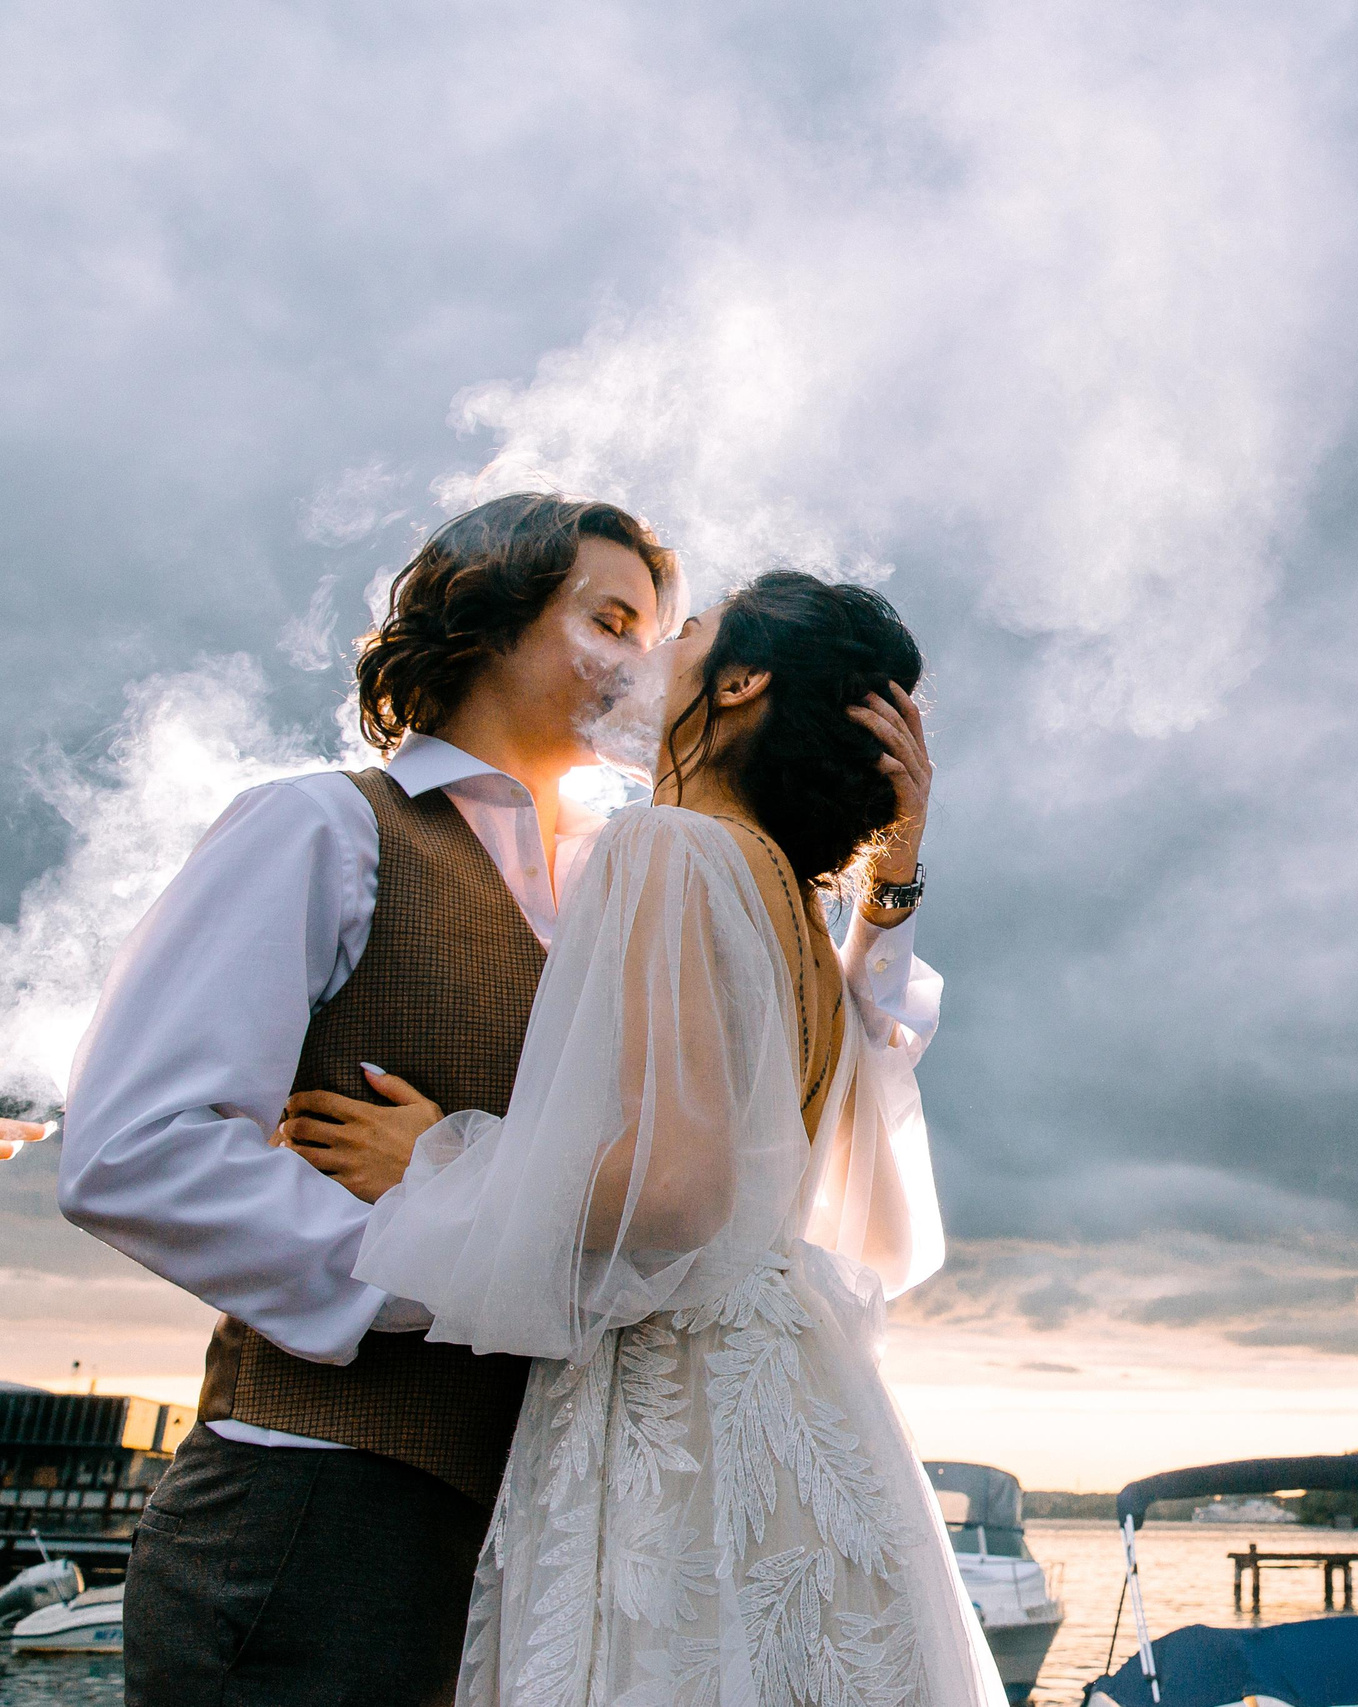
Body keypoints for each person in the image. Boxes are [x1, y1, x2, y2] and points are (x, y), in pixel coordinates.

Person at [55, 496, 934, 1706]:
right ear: (486, 616)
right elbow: (134, 1153)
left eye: (663, 631)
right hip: (330, 1504)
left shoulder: (628, 876)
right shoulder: (321, 828)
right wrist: (452, 1264)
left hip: (570, 1522)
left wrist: (458, 1185)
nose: (641, 658)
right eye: (611, 618)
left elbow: (766, 1129)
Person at [273, 569, 999, 1706]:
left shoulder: (665, 846)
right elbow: (839, 1135)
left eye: (691, 630)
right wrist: (896, 867)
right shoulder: (797, 913)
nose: (655, 649)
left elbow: (676, 1197)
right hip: (800, 1394)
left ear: (743, 681)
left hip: (680, 1395)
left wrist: (437, 1165)